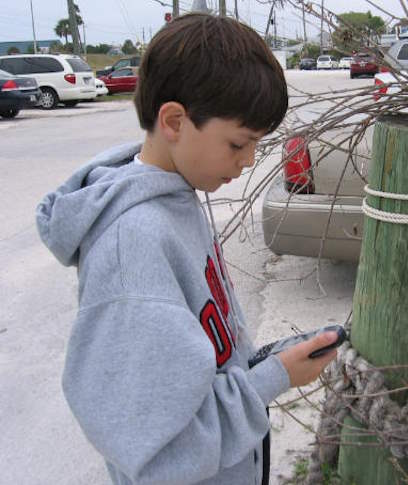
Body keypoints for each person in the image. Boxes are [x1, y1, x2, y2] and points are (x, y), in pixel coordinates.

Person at [36, 13, 338, 485]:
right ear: (175, 121)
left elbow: (202, 355)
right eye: (239, 143)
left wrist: (265, 361)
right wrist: (271, 379)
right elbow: (160, 458)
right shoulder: (132, 248)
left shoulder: (179, 192)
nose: (248, 161)